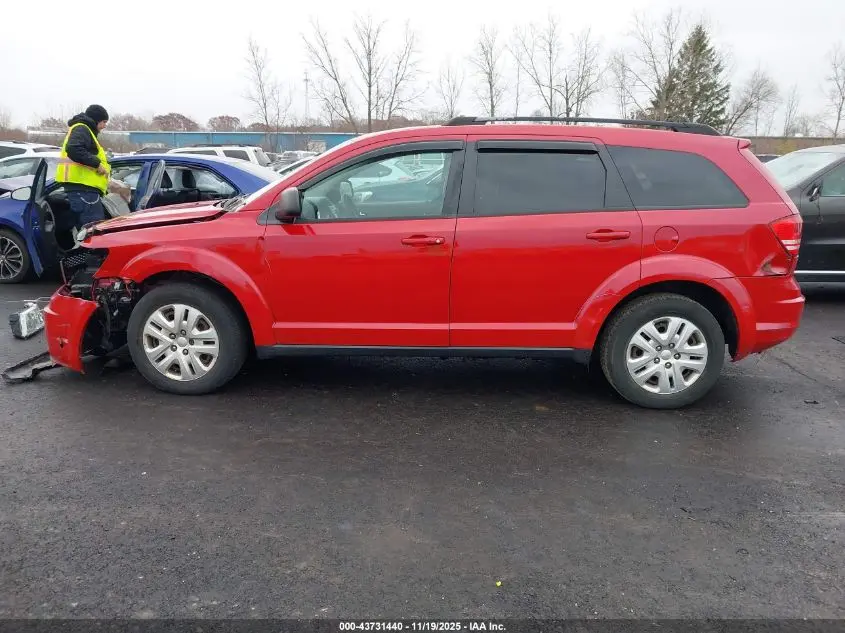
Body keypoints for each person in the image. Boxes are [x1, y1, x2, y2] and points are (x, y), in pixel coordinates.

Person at [56, 105, 111, 228]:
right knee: (93, 230)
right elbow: (74, 149)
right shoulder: (82, 128)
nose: (104, 126)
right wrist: (97, 164)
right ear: (96, 120)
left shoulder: (84, 129)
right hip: (84, 189)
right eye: (104, 122)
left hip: (83, 189)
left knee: (86, 230)